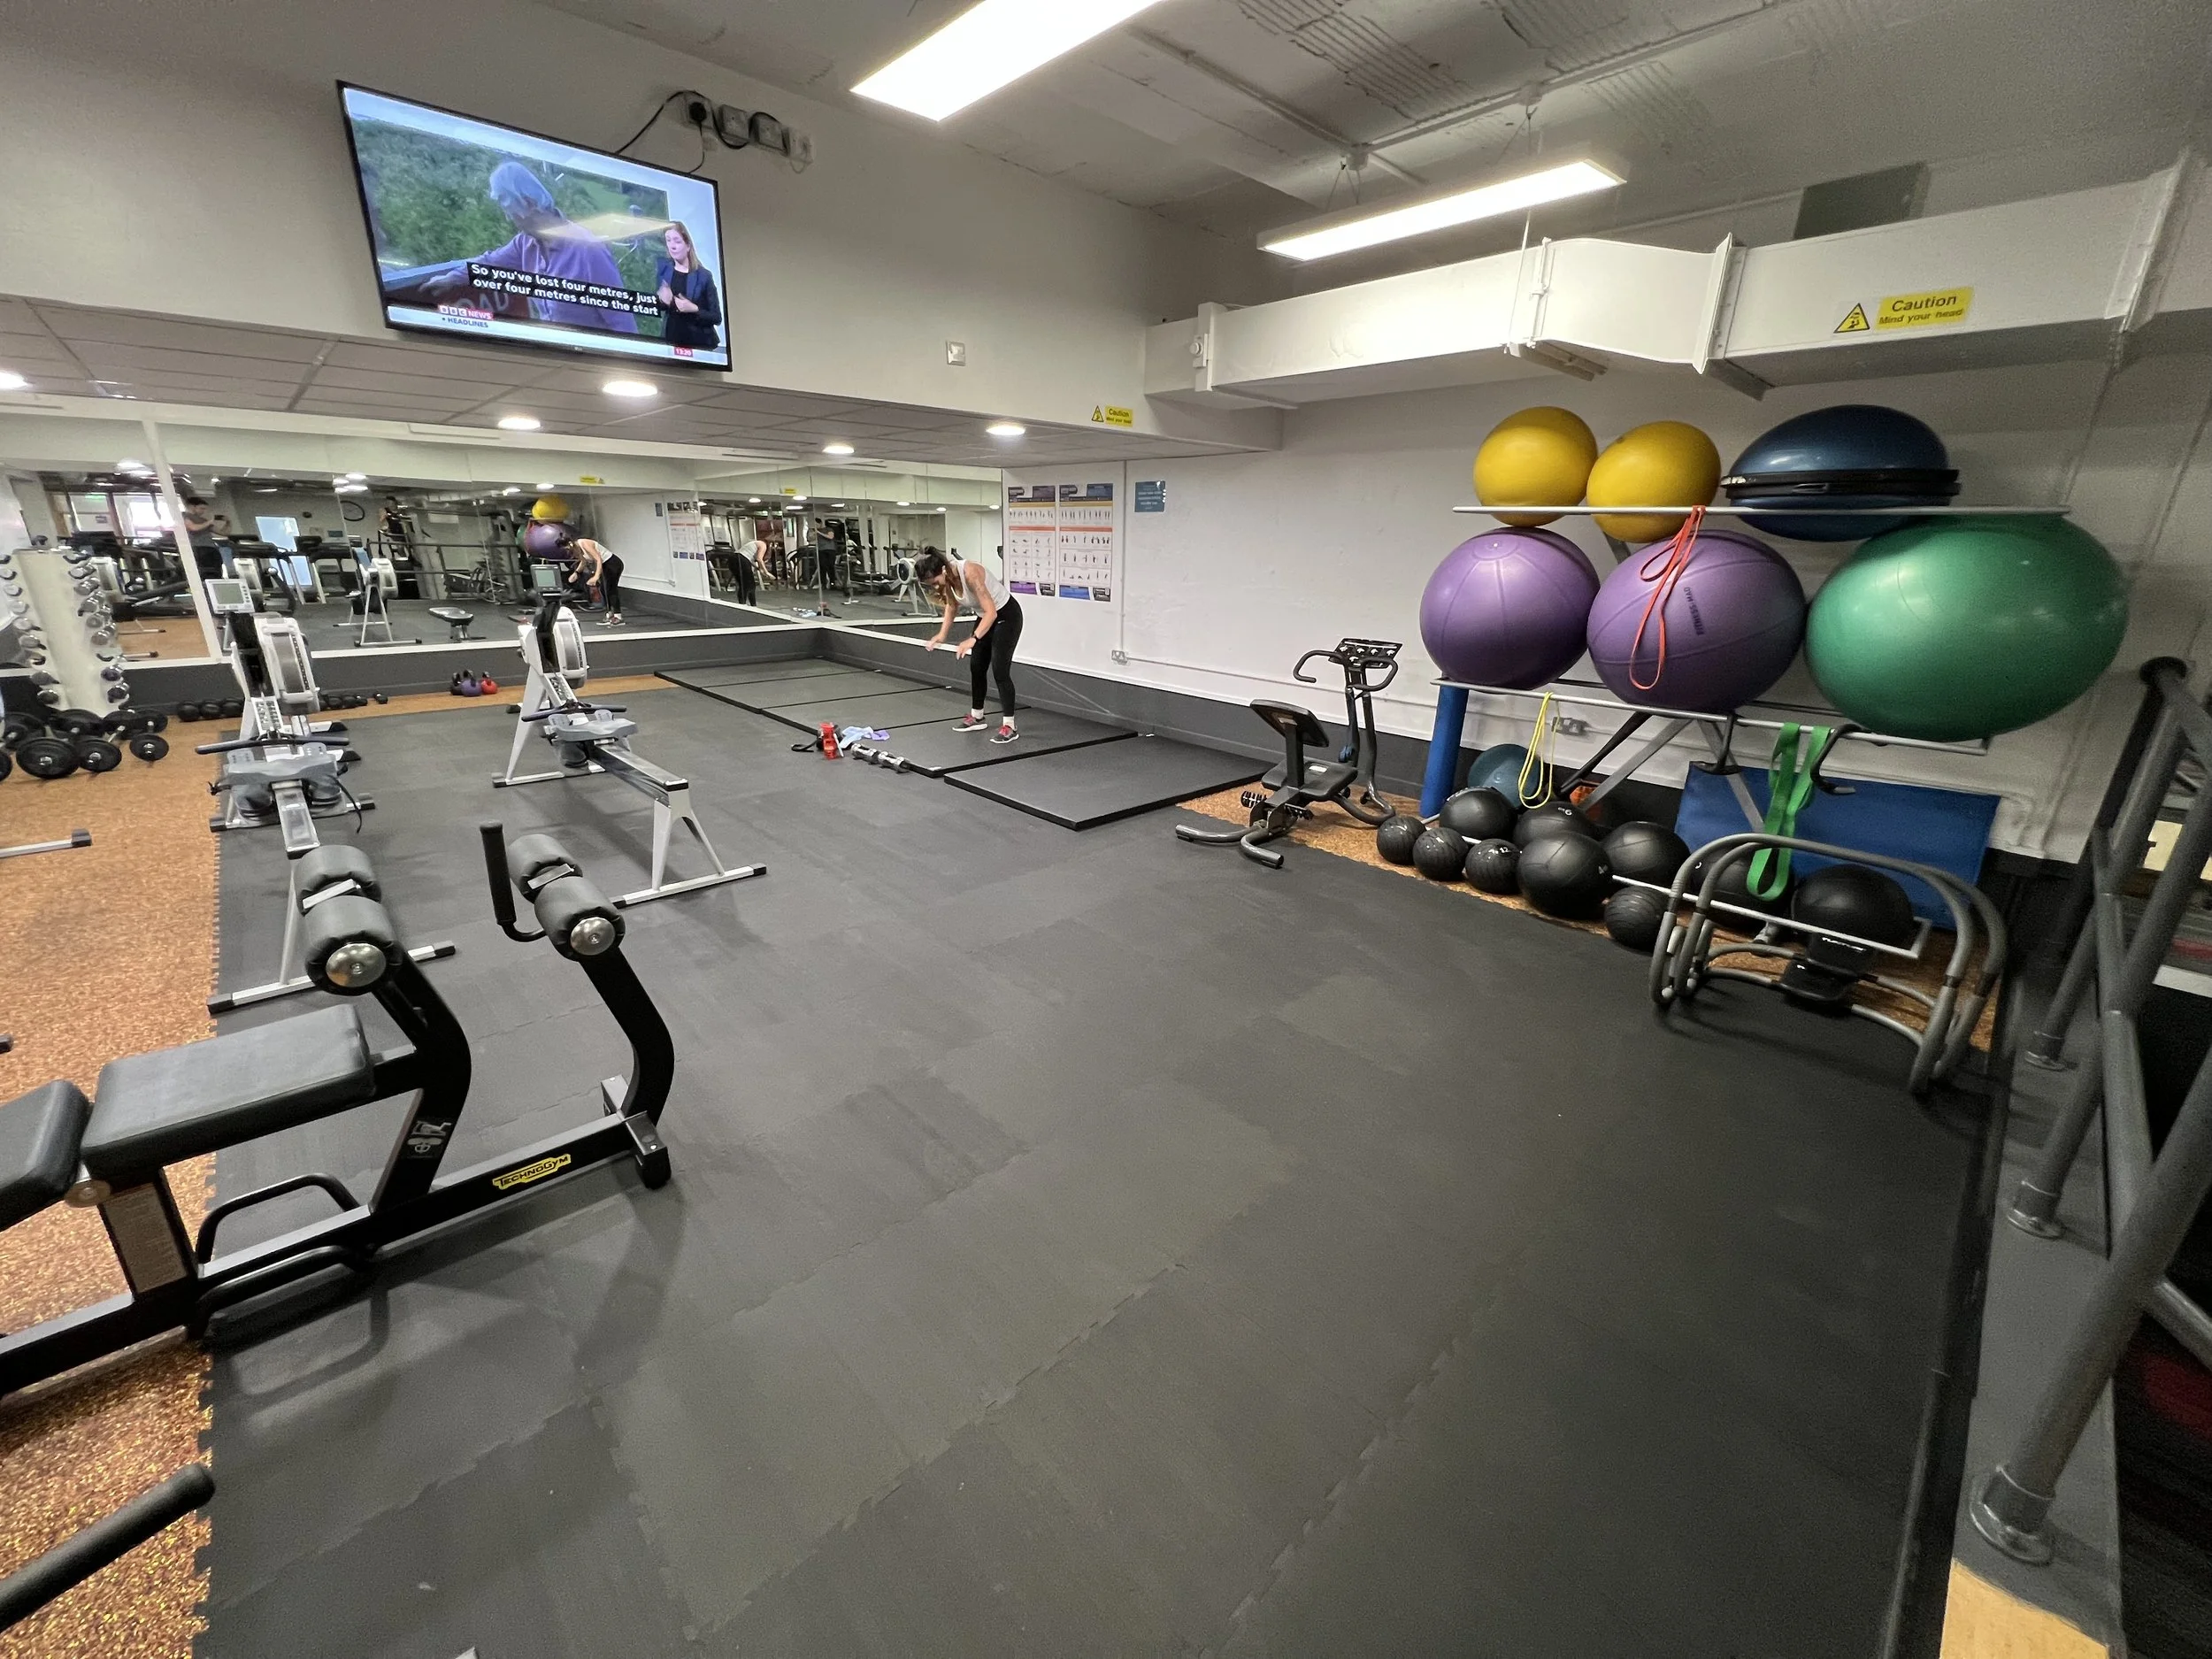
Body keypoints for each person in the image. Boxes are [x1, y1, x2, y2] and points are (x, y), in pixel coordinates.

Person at [417, 162, 640, 335]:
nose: (508, 218)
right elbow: (488, 264)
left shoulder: (589, 251)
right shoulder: (524, 244)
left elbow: (622, 323)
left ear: (529, 203)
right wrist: (451, 279)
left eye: (509, 209)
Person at [918, 548, 1020, 743]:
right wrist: (942, 635)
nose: (934, 587)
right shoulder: (947, 578)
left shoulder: (970, 573)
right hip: (985, 618)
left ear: (944, 571)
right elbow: (951, 606)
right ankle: (977, 716)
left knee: (1000, 670)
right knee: (977, 667)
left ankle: (1010, 726)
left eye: (934, 582)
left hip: (1006, 616)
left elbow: (992, 612)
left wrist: (973, 638)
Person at [654, 222, 722, 352]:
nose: (672, 246)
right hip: (670, 343)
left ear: (688, 245)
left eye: (677, 241)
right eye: (668, 241)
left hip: (700, 345)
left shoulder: (704, 276)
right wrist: (662, 301)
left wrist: (694, 309)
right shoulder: (664, 270)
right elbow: (657, 306)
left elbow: (716, 317)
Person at [571, 536, 626, 626]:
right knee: (604, 590)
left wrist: (596, 576)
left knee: (610, 589)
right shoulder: (578, 549)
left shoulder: (584, 543)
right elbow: (583, 561)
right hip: (605, 565)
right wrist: (576, 573)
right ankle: (610, 614)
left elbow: (598, 559)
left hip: (612, 563)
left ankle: (618, 616)